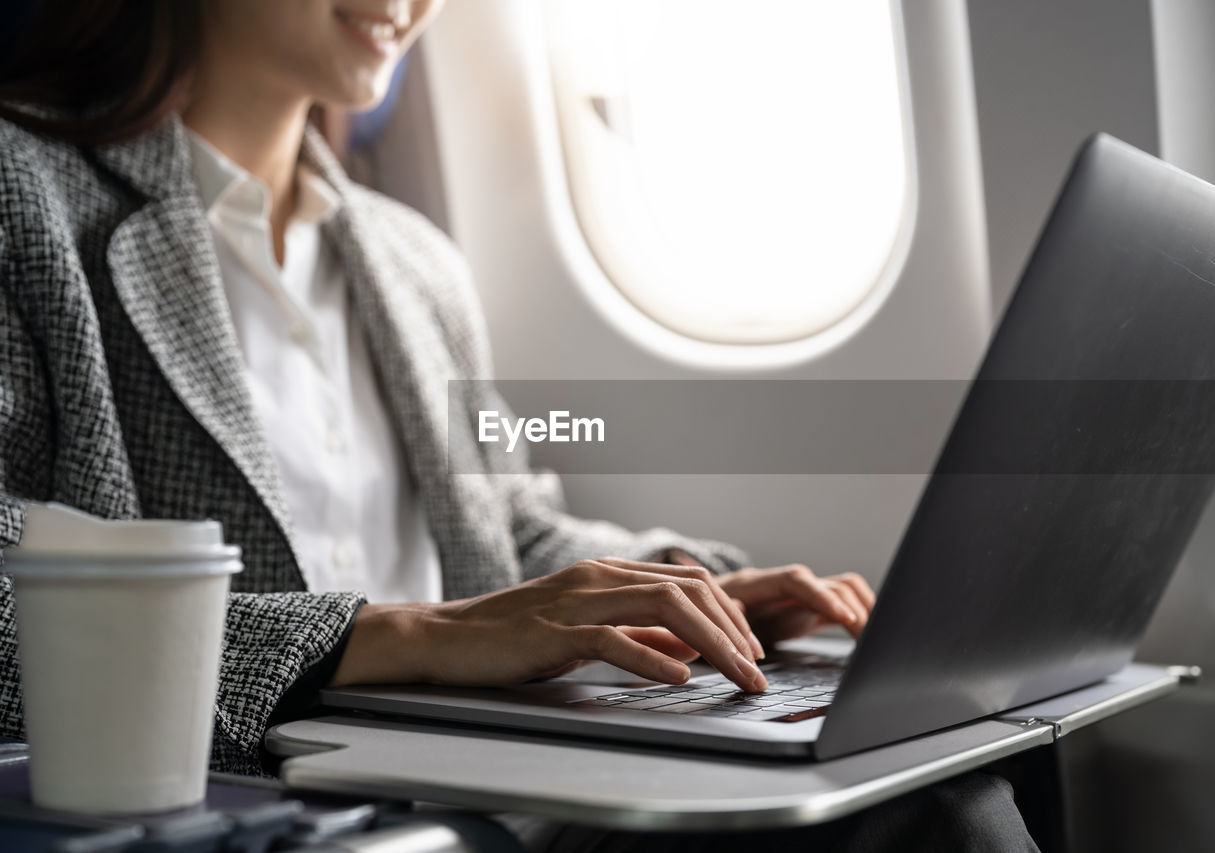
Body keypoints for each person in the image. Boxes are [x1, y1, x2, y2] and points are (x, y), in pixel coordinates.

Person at [0, 2, 1038, 849]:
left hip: (490, 786)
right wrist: (402, 635)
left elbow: (512, 535)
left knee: (939, 791)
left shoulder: (415, 265)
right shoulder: (23, 198)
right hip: (269, 806)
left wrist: (680, 584)